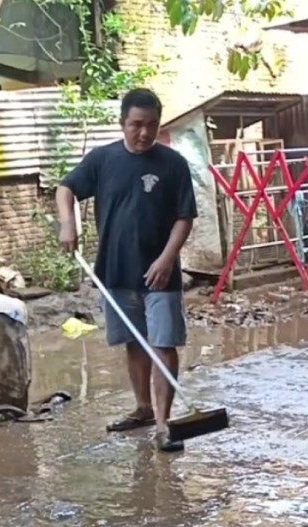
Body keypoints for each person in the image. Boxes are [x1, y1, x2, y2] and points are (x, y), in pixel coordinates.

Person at [55, 88, 198, 452]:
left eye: (151, 125)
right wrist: (67, 224)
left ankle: (165, 424)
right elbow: (65, 189)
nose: (144, 133)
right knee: (134, 342)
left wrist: (167, 259)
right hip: (116, 270)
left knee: (164, 343)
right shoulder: (103, 160)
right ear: (123, 123)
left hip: (161, 272)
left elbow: (184, 218)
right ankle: (143, 408)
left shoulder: (173, 164)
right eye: (136, 124)